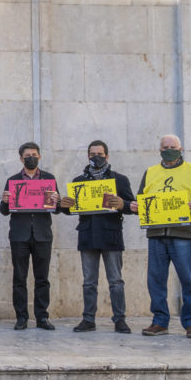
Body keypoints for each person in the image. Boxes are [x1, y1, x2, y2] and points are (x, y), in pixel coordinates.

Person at [131, 134, 191, 338]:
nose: (169, 149)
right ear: (160, 150)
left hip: (183, 233)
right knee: (156, 280)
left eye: (173, 146)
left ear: (181, 149)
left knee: (187, 279)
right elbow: (141, 199)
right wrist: (135, 206)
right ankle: (159, 321)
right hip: (156, 233)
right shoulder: (150, 172)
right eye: (165, 146)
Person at [58, 140, 136, 334]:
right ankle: (88, 319)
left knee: (116, 281)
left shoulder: (120, 180)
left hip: (111, 236)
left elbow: (133, 206)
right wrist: (64, 206)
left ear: (107, 156)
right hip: (88, 236)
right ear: (88, 156)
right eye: (92, 154)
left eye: (100, 154)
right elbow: (72, 210)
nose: (96, 157)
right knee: (88, 281)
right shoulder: (78, 181)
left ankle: (120, 319)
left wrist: (122, 205)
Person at [0, 142, 64, 330]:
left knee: (42, 278)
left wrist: (57, 201)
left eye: (34, 154)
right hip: (19, 236)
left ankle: (42, 317)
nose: (31, 157)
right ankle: (21, 317)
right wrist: (4, 201)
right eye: (27, 155)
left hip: (42, 235)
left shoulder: (49, 179)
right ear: (21, 159)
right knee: (19, 278)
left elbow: (57, 209)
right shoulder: (13, 181)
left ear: (40, 157)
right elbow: (4, 211)